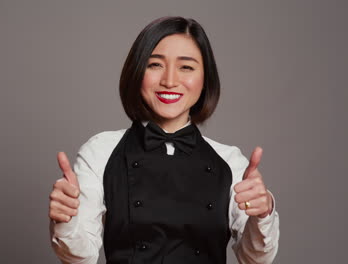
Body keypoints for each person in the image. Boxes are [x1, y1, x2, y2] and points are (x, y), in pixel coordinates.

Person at [48, 16, 279, 264]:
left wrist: (262, 214)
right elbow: (80, 257)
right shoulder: (101, 151)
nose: (169, 80)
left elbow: (255, 258)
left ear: (205, 80)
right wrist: (66, 221)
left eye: (186, 67)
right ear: (137, 73)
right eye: (155, 65)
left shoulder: (230, 161)